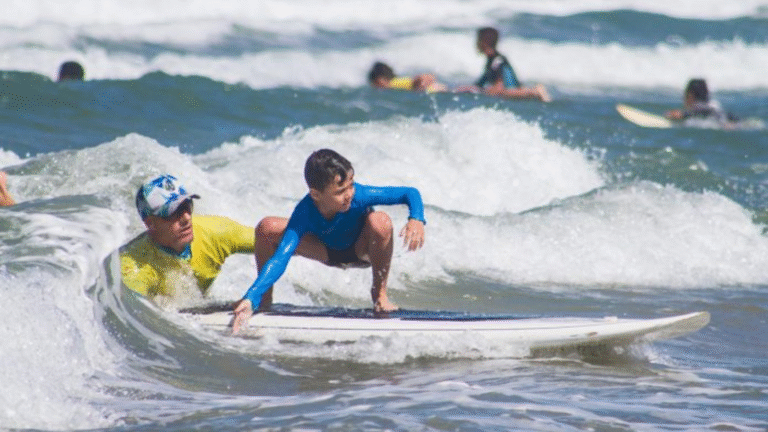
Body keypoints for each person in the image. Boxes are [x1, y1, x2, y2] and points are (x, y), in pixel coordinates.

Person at [232, 149, 426, 333]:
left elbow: (410, 193)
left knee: (380, 221)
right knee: (267, 227)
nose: (349, 194)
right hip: (324, 251)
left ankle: (380, 296)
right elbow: (281, 256)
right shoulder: (304, 212)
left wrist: (416, 218)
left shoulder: (359, 195)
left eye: (351, 184)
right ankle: (261, 301)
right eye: (340, 191)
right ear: (316, 194)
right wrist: (251, 296)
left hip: (361, 251)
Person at [120, 174, 256, 303]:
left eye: (187, 206)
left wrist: (258, 294)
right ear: (150, 223)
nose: (186, 218)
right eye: (173, 211)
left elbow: (271, 238)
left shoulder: (214, 232)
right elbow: (131, 310)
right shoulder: (134, 265)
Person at [456, 27, 550, 102]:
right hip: (510, 89)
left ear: (485, 42)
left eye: (478, 40)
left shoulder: (497, 61)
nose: (476, 44)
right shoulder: (491, 60)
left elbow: (499, 87)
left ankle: (534, 91)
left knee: (504, 93)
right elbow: (480, 84)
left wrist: (482, 91)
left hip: (511, 90)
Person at [665, 78, 738, 124]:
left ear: (690, 95)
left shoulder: (701, 108)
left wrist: (684, 114)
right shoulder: (713, 105)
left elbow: (706, 112)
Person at [368, 61, 447, 93]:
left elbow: (425, 77)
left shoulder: (394, 83)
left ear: (381, 79)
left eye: (375, 83)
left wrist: (420, 88)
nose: (375, 86)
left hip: (438, 91)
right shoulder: (395, 84)